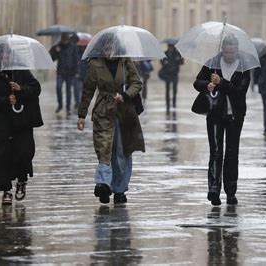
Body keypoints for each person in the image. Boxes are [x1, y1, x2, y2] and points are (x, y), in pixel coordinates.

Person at [77, 33, 145, 204]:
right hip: (103, 111)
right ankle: (103, 184)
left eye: (112, 48)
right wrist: (81, 114)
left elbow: (137, 83)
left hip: (124, 112)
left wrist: (125, 94)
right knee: (104, 148)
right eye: (106, 48)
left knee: (122, 151)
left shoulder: (126, 61)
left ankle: (120, 189)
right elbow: (87, 90)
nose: (109, 52)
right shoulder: (94, 65)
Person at [0, 44, 43, 205]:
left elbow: (36, 88)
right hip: (1, 123)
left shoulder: (21, 72)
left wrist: (21, 89)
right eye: (1, 56)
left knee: (23, 153)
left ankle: (22, 181)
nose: (4, 59)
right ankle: (6, 190)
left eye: (7, 56)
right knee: (2, 155)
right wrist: (4, 100)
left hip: (21, 122)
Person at [193, 36, 251, 206]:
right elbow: (197, 82)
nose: (229, 54)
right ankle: (214, 189)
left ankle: (231, 192)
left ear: (237, 49)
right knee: (216, 151)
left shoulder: (243, 66)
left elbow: (241, 90)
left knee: (232, 153)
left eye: (232, 51)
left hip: (235, 115)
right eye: (226, 51)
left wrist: (221, 83)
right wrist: (207, 85)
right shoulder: (212, 63)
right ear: (222, 49)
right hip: (215, 113)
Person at [50, 32, 79, 115]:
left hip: (70, 73)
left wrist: (76, 71)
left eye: (65, 38)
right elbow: (52, 58)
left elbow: (76, 60)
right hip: (60, 72)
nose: (64, 40)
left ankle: (68, 107)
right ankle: (60, 105)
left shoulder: (73, 46)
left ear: (67, 38)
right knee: (58, 87)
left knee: (68, 90)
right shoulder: (57, 46)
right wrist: (56, 51)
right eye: (63, 38)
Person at [159, 44, 184, 111]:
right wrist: (164, 62)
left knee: (174, 89)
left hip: (175, 74)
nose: (170, 48)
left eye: (171, 46)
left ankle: (174, 102)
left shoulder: (177, 53)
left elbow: (182, 62)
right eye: (169, 46)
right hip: (167, 74)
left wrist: (179, 59)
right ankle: (167, 103)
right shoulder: (165, 53)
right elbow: (161, 61)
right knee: (167, 89)